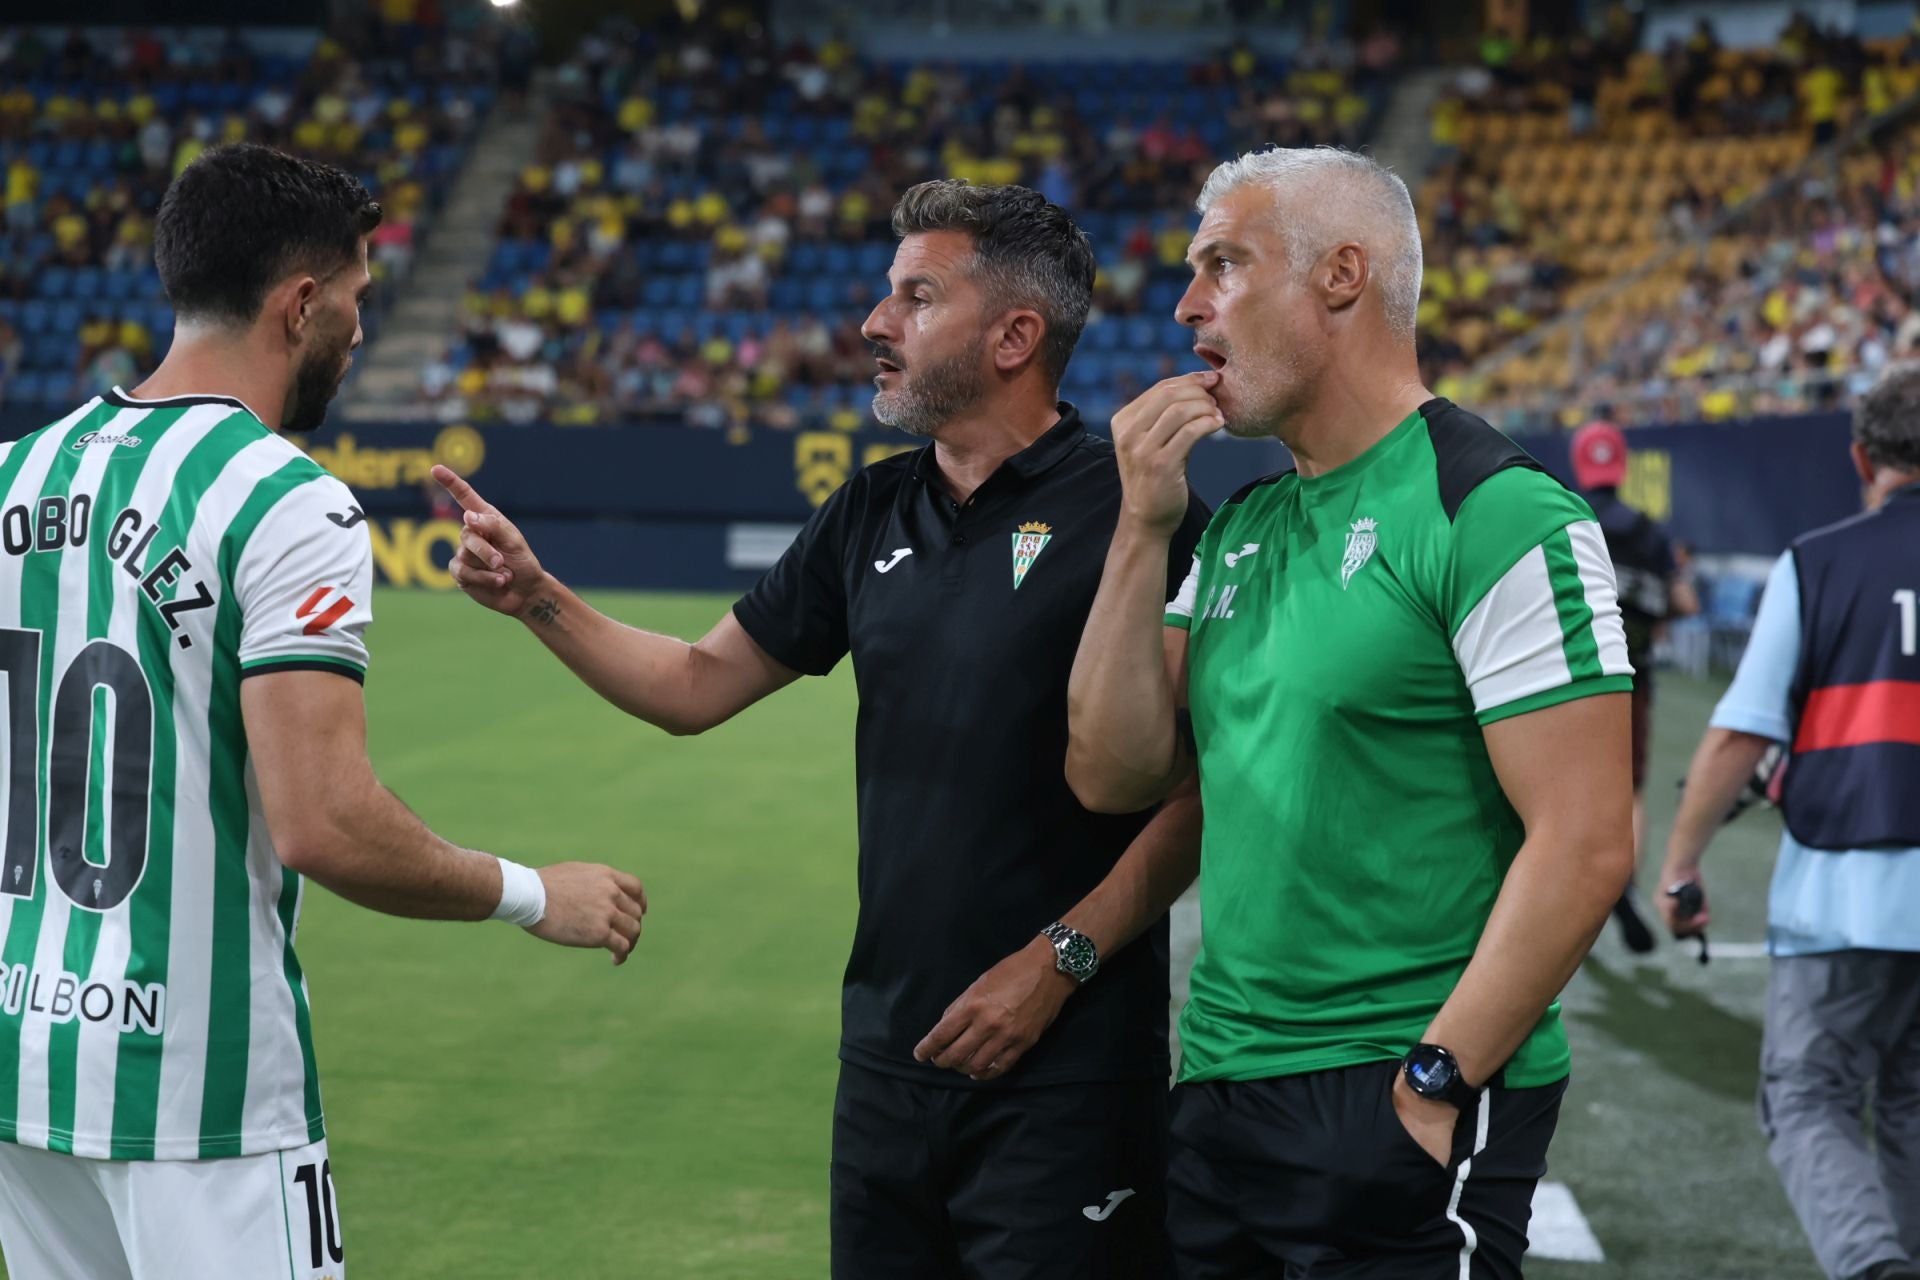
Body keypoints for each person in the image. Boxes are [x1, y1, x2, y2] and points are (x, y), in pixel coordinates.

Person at [435, 179, 1210, 1278]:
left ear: (1014, 337)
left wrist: (1059, 961)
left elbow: (1200, 791)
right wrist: (536, 596)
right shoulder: (870, 509)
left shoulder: (1138, 511)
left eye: (916, 297)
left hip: (1069, 1071)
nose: (875, 323)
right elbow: (696, 683)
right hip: (887, 1064)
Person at [0, 144, 646, 1280]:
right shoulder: (285, 499)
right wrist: (536, 893)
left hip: (22, 1061)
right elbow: (325, 823)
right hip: (198, 1091)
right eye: (356, 296)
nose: (358, 326)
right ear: (300, 305)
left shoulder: (15, 471)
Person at [1065, 144, 1636, 1278]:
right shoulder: (1240, 525)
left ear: (1340, 276)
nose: (1187, 307)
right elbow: (1113, 772)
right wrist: (1140, 526)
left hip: (1400, 1082)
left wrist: (1435, 1080)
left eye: (1224, 265)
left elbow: (1585, 841)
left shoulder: (1495, 509)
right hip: (1220, 1084)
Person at [1658, 365, 1920, 1280]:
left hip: (1845, 898)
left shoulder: (1817, 562)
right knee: (1913, 1109)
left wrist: (1681, 867)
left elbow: (1742, 735)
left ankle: (1872, 1266)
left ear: (1861, 459)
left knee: (1807, 1097)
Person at [1569, 419, 1699, 952]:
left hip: (1568, 672)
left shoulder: (1566, 516)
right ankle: (1622, 885)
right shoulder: (1649, 531)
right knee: (1631, 791)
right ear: (1622, 468)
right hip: (1631, 676)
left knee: (1563, 789)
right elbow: (1686, 602)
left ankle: (1565, 891)